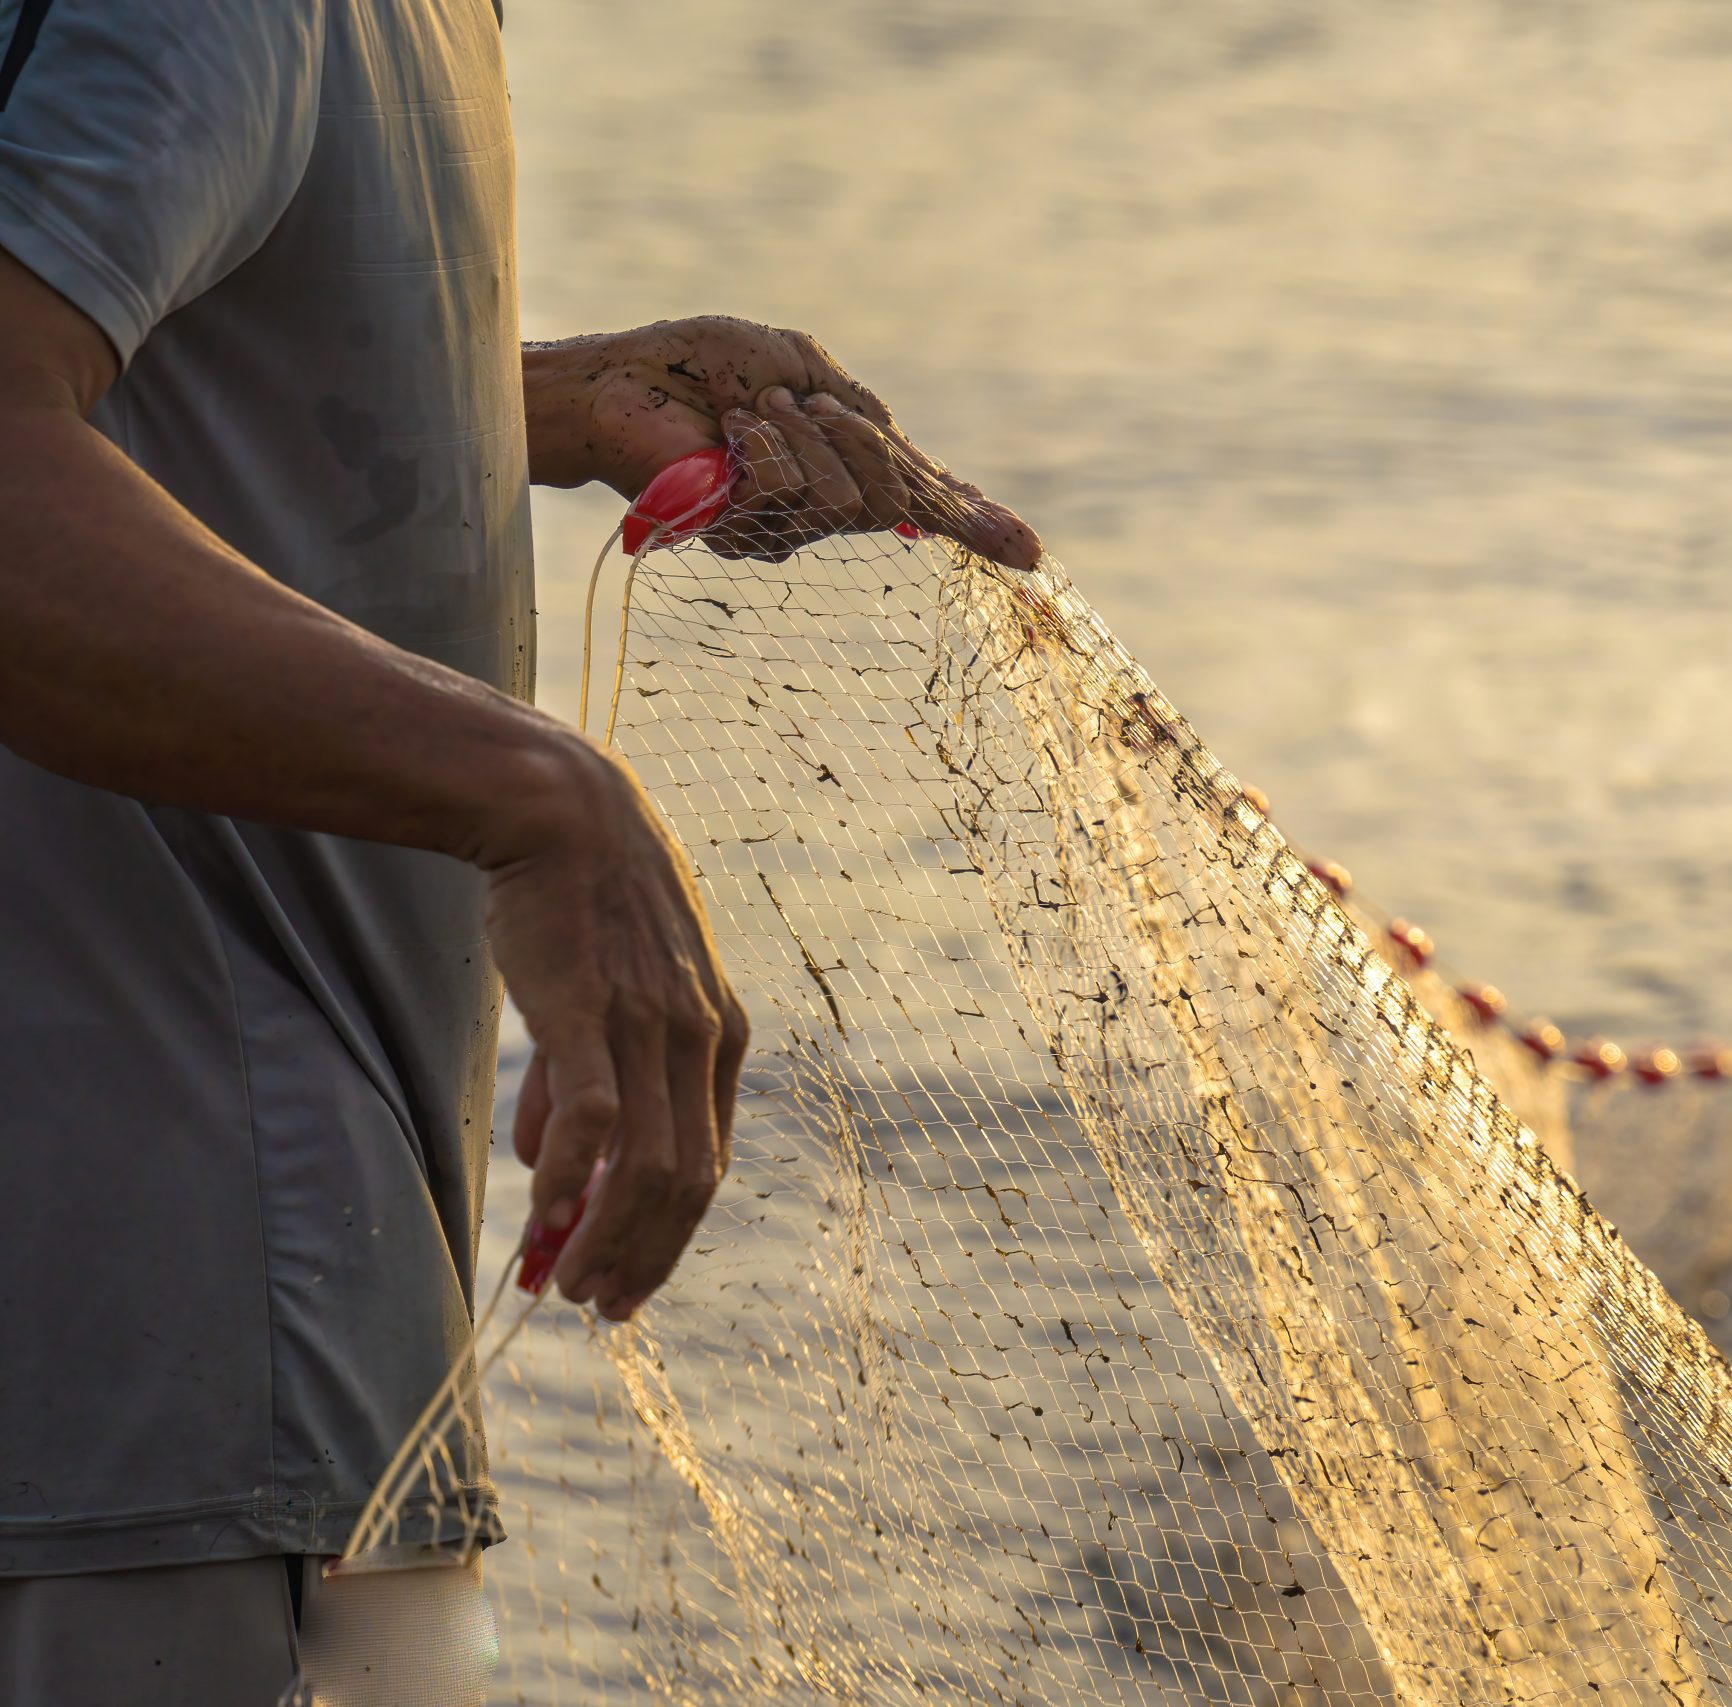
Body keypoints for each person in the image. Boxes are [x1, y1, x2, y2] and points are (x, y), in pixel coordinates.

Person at [0, 2, 1038, 1699]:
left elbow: (134, 356)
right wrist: (551, 803)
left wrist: (533, 399)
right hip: (136, 1374)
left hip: (294, 1388)